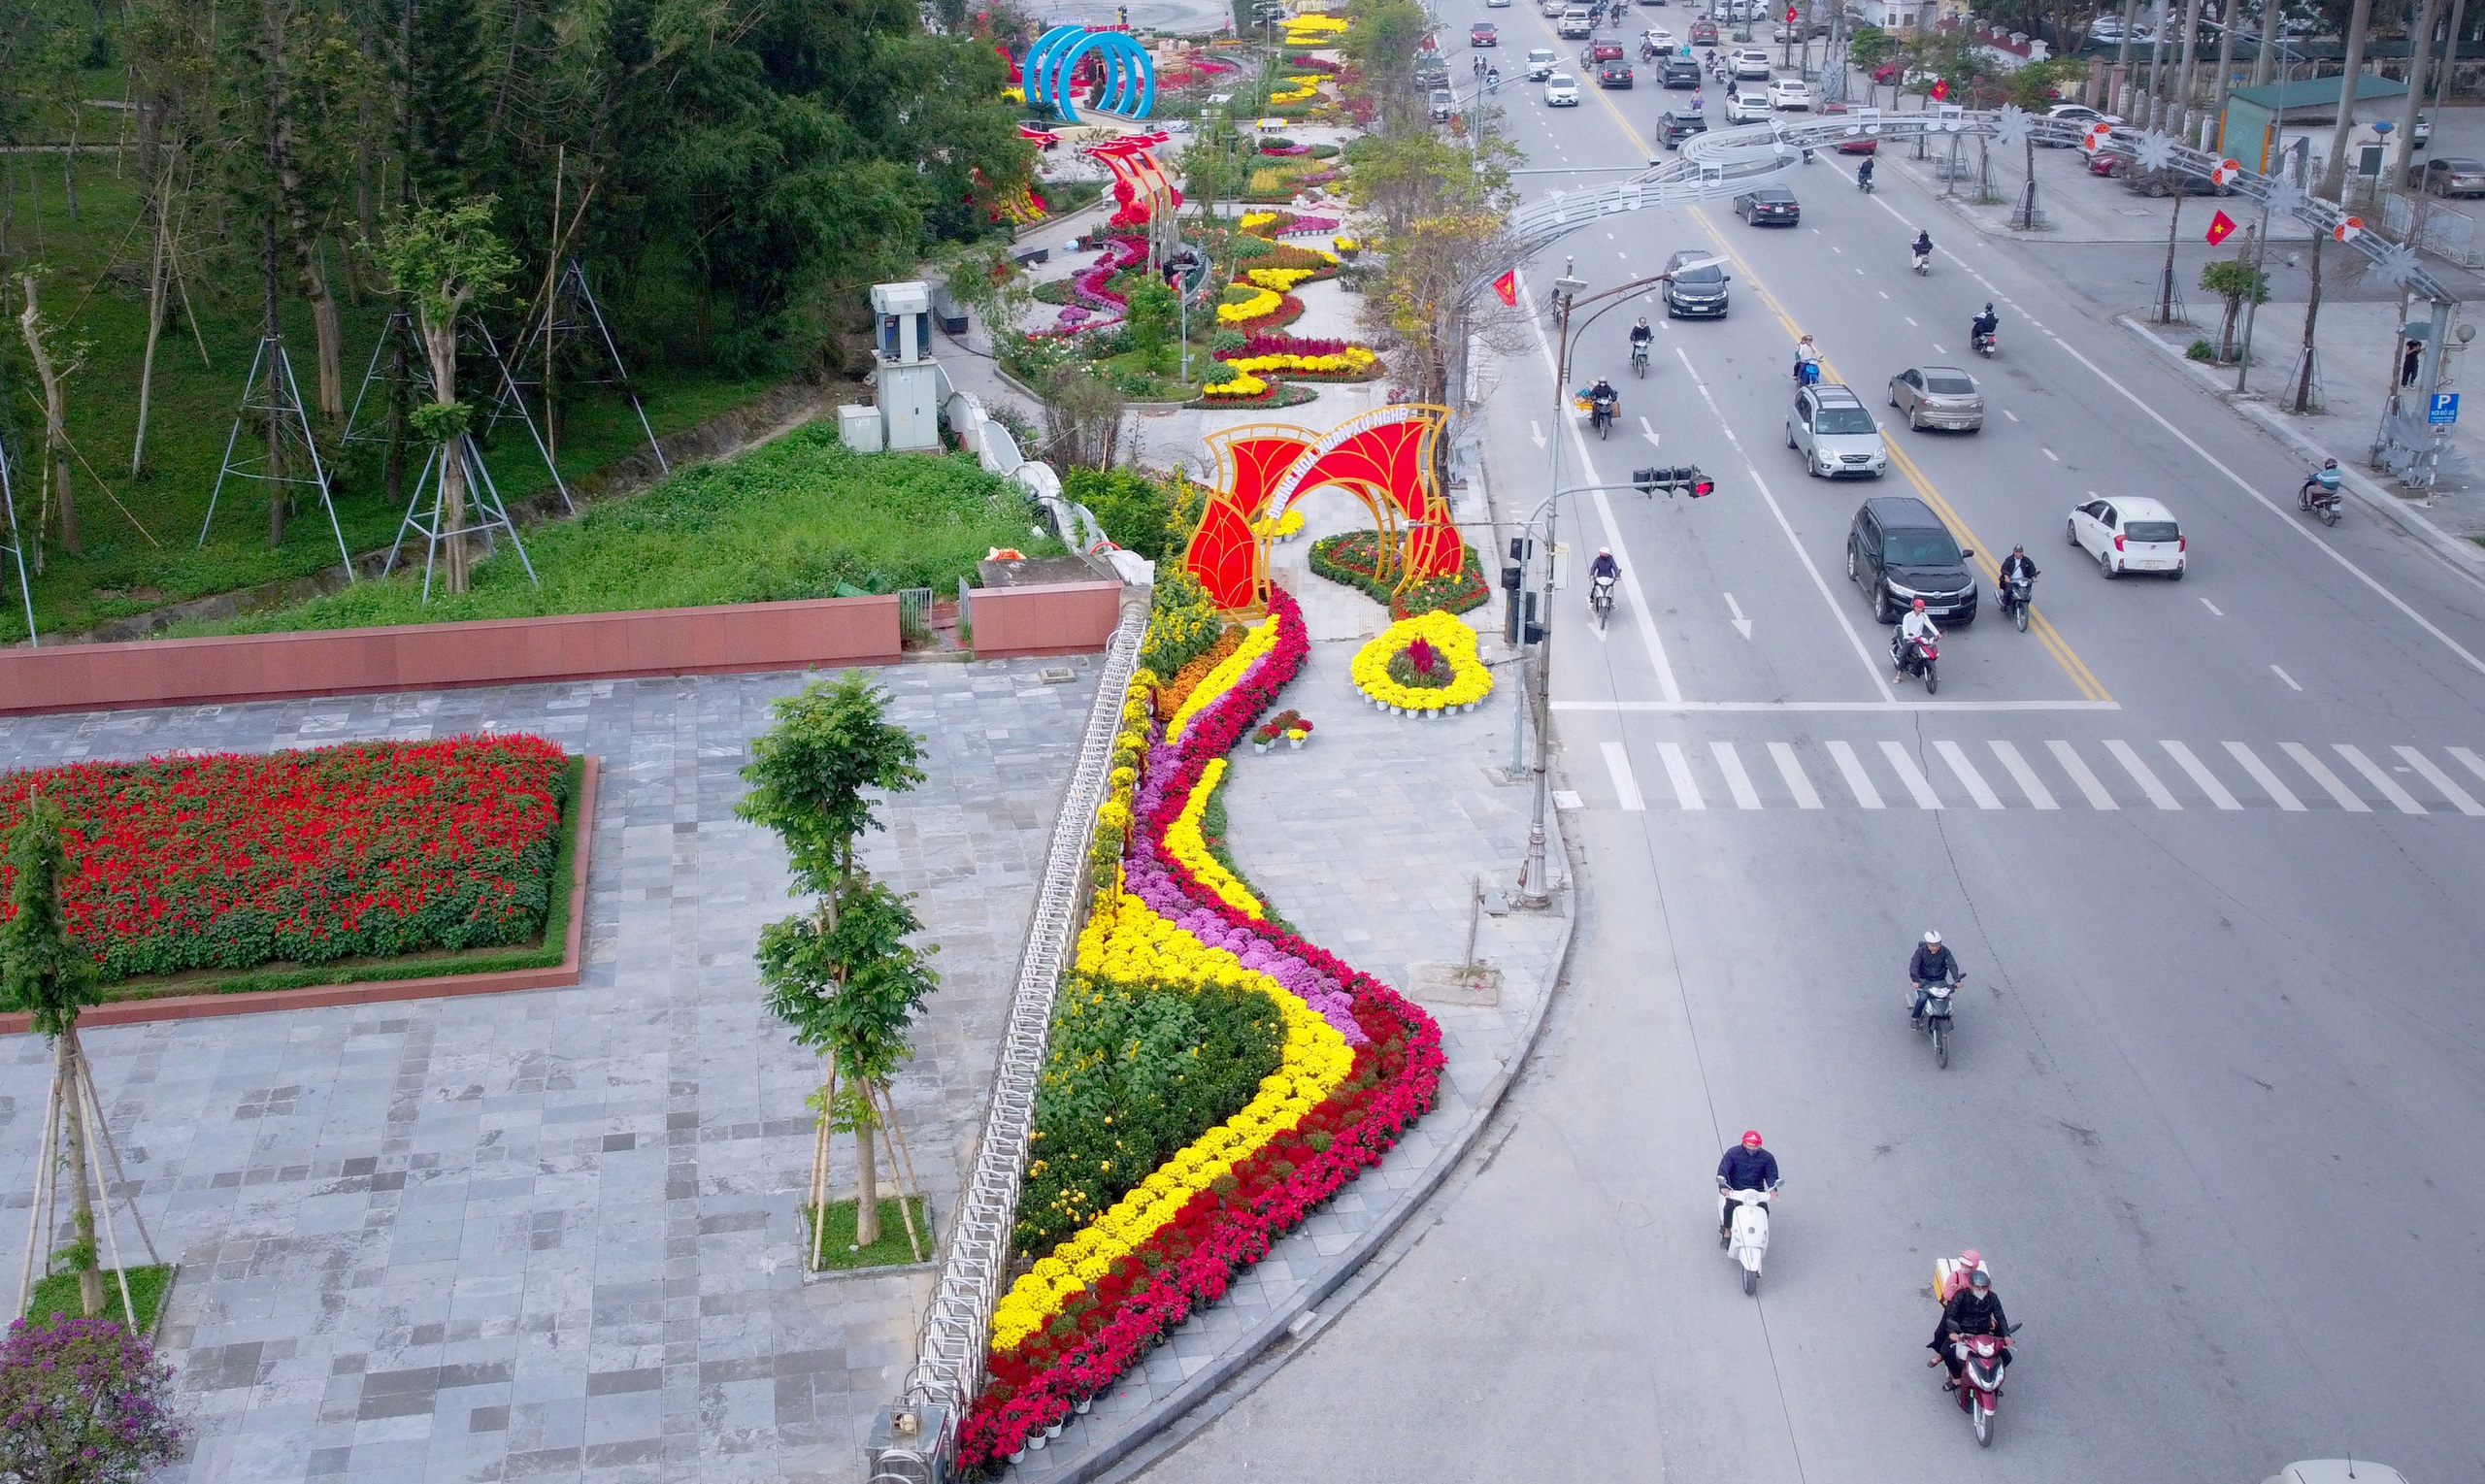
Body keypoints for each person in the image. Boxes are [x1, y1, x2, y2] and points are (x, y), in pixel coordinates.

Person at [1928, 1265, 2011, 1387]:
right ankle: (1956, 1377)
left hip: (1983, 1333)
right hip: (1963, 1332)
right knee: (1946, 1351)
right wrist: (1953, 1332)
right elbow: (1951, 1315)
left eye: (1984, 1287)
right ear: (1971, 1286)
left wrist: (2006, 1334)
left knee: (2006, 1358)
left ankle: (1991, 1378)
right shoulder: (1961, 1296)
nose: (1981, 1290)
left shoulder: (1993, 1298)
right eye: (1978, 1287)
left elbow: (2000, 1316)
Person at [1715, 1130, 1780, 1246]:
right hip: (1735, 1189)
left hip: (1756, 1190)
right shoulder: (1733, 1153)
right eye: (1750, 1145)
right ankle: (1727, 1232)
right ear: (1744, 1143)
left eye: (1756, 1146)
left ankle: (1760, 1234)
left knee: (1764, 1211)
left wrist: (1773, 1189)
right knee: (1729, 1208)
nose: (1753, 1148)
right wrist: (1724, 1187)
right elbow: (1723, 1170)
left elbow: (1771, 1175)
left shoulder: (1767, 1158)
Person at [1908, 927, 1961, 1024]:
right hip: (1925, 980)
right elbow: (1914, 965)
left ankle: (1948, 1019)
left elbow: (1952, 964)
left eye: (1937, 945)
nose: (1935, 947)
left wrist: (1957, 980)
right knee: (1922, 998)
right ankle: (1915, 1018)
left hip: (1940, 980)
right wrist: (1915, 980)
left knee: (1946, 997)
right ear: (1927, 944)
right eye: (1932, 945)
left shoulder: (1945, 951)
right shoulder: (1920, 952)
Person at [1998, 544, 2038, 613]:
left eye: (2020, 552)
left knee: (2027, 592)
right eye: (2017, 552)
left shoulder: (2026, 560)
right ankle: (2005, 604)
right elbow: (2004, 568)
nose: (2018, 554)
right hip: (2012, 580)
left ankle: (2024, 604)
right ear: (2014, 552)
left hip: (2023, 580)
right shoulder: (2009, 560)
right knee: (2008, 591)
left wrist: (2033, 576)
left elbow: (2032, 568)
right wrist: (2006, 576)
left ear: (2022, 553)